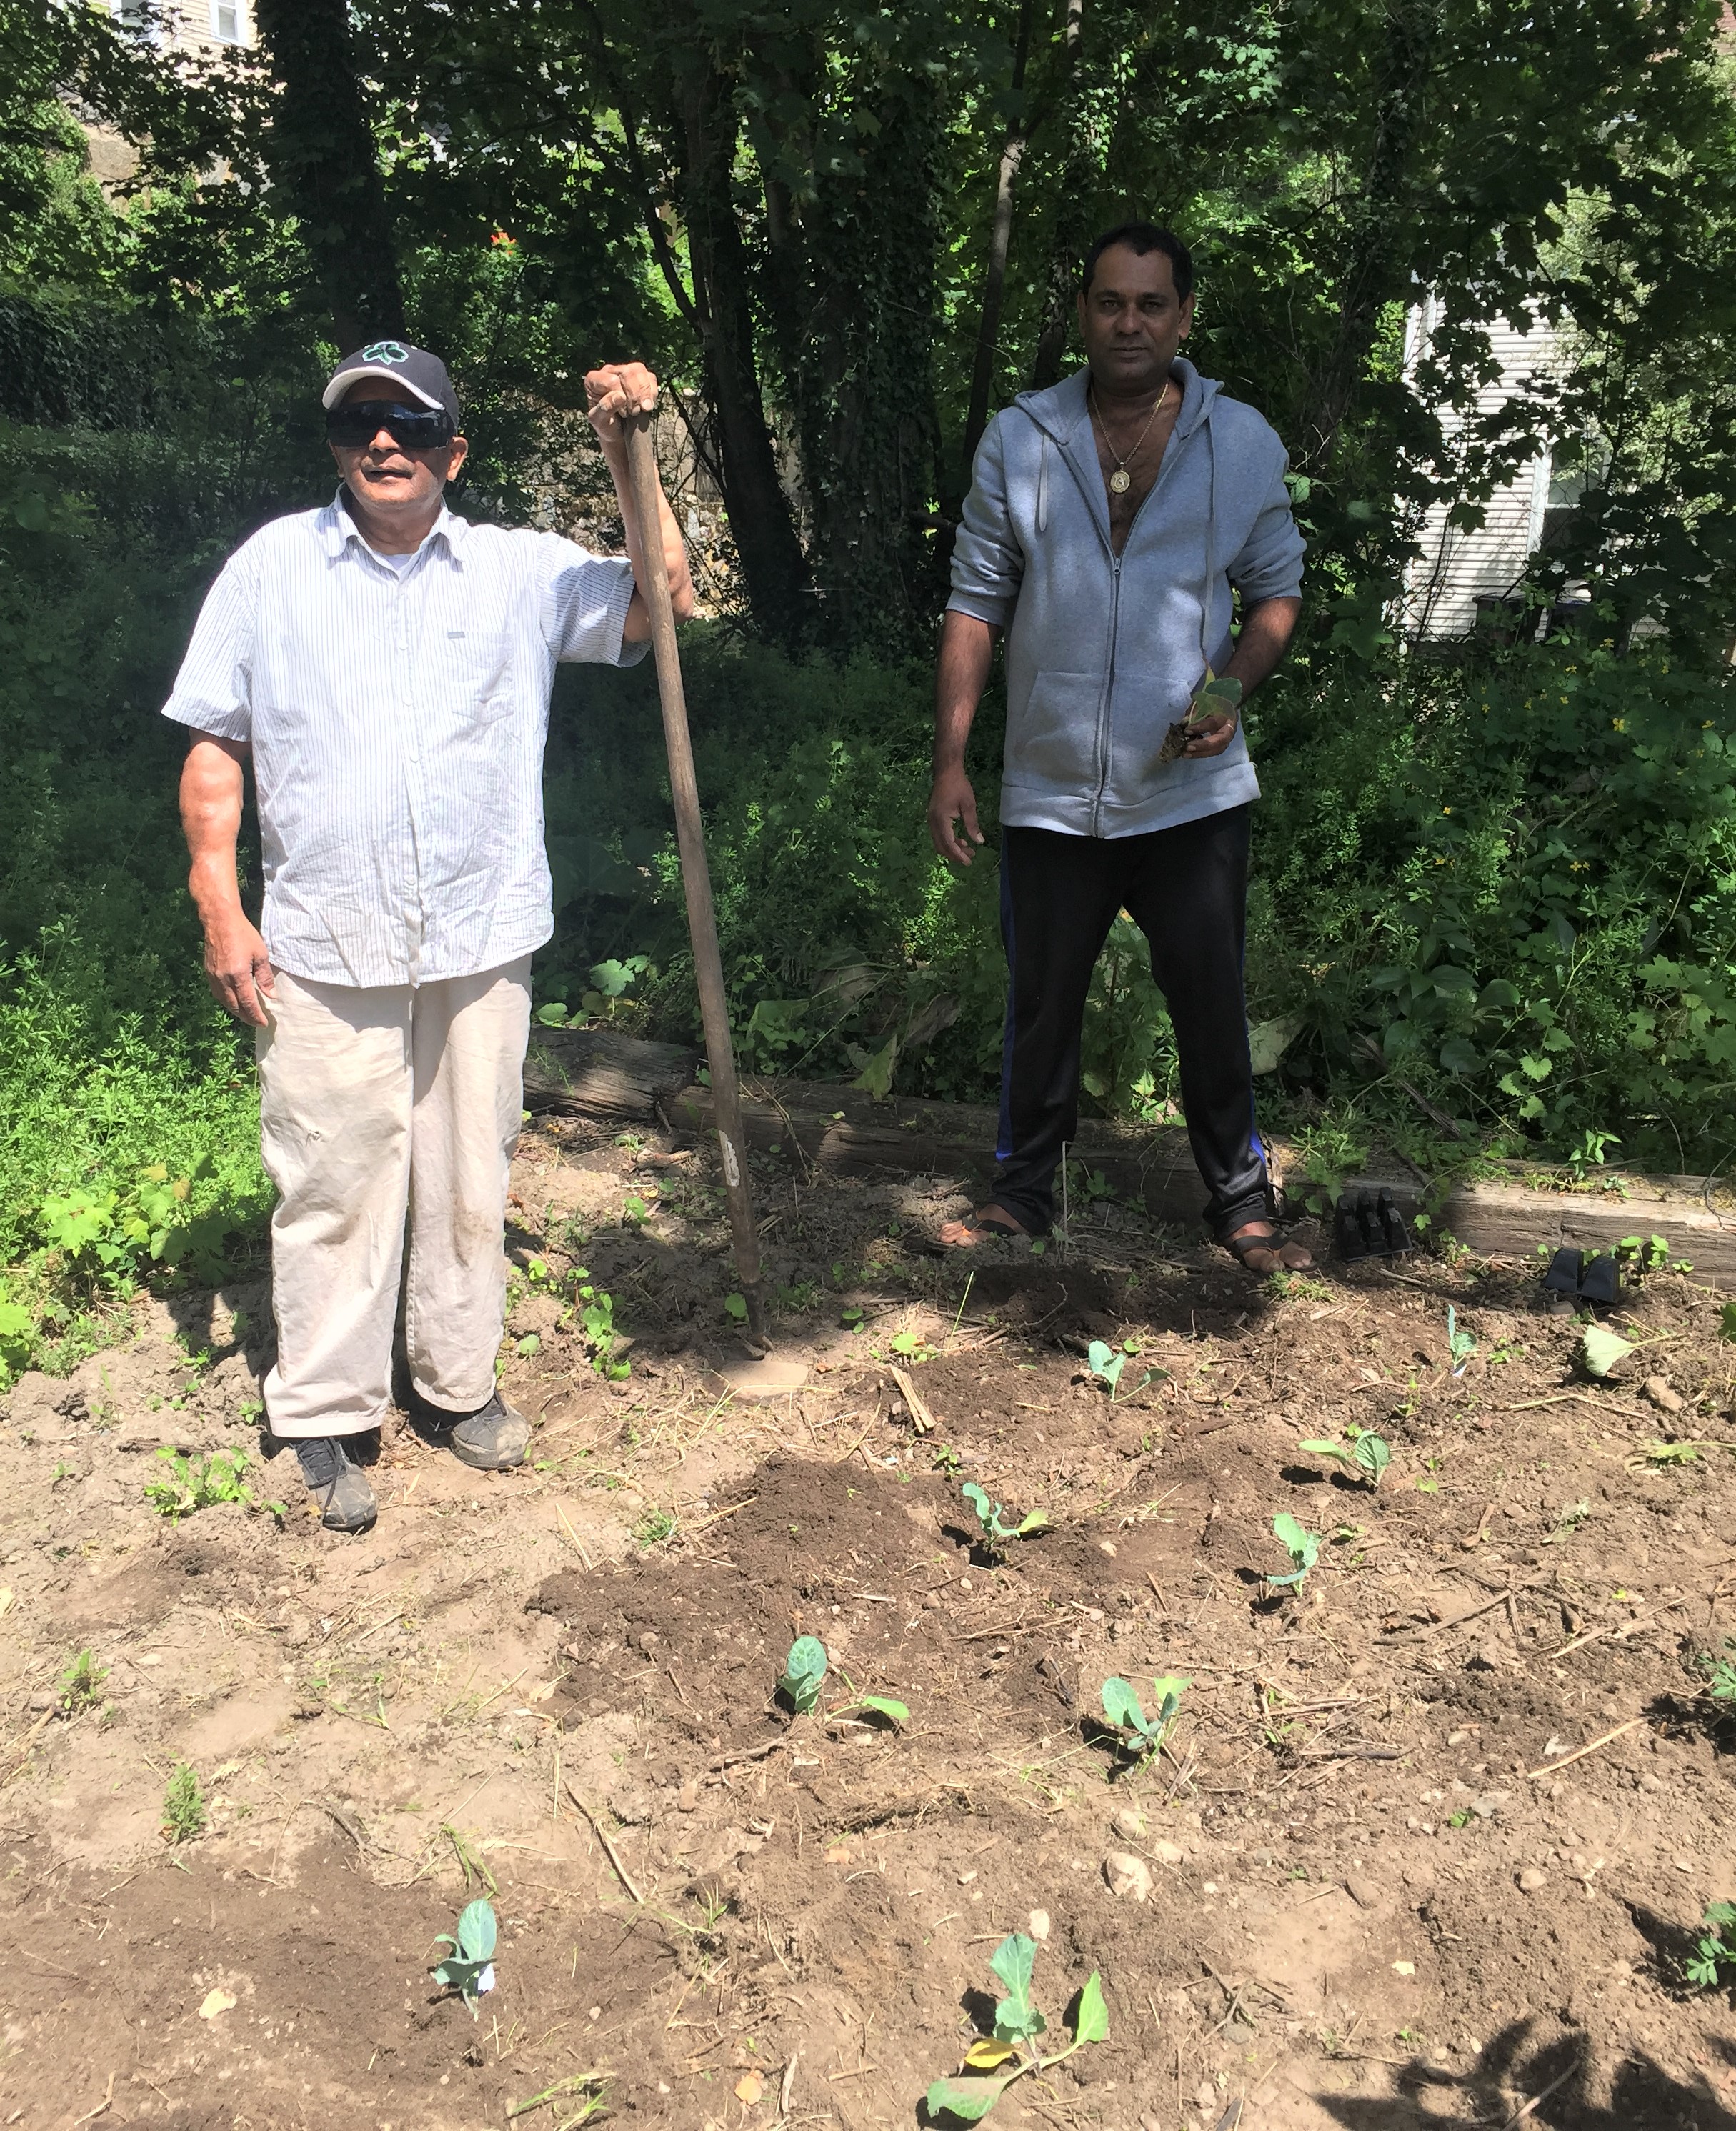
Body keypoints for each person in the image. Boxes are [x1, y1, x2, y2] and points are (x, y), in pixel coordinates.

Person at [164, 340, 692, 1531]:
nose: (383, 445)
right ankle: (325, 1412)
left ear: (454, 450)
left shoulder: (522, 571)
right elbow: (215, 738)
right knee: (335, 1174)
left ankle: (456, 1386)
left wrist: (628, 459)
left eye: (407, 425)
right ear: (338, 448)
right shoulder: (271, 570)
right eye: (360, 428)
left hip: (478, 929)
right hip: (327, 937)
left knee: (469, 1171)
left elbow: (661, 606)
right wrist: (218, 900)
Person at [929, 223, 1312, 1272]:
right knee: (1041, 1004)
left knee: (1209, 996)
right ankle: (1022, 1198)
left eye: (1150, 304)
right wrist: (952, 759)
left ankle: (1239, 1198)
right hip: (1050, 791)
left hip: (1189, 794)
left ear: (1183, 317)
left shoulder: (1236, 443)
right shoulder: (1023, 438)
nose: (1129, 322)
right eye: (1109, 302)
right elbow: (974, 603)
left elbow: (1277, 589)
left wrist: (1229, 686)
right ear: (1083, 315)